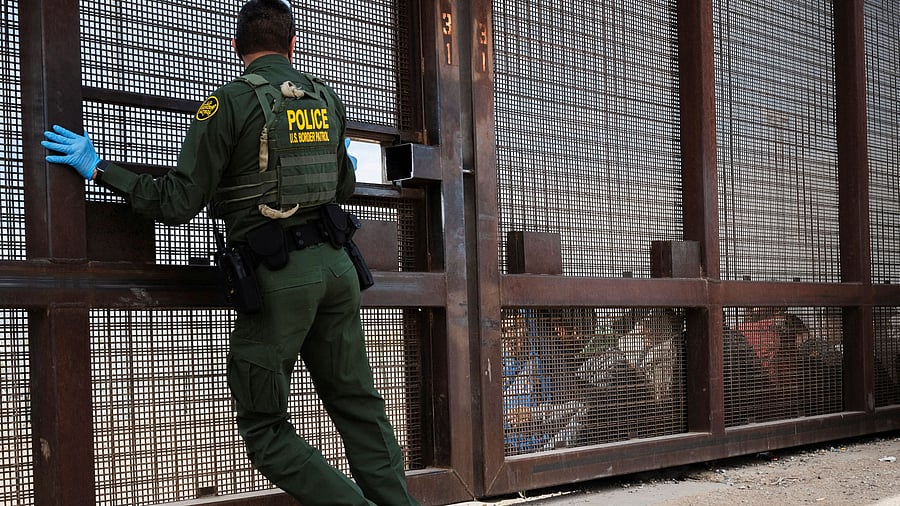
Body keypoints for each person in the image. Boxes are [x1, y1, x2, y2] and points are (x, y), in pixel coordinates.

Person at [40, 1, 417, 504]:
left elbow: (177, 201)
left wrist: (101, 168)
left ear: (238, 48)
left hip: (281, 276)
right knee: (357, 406)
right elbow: (344, 185)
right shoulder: (325, 98)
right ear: (291, 44)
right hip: (338, 267)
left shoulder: (229, 104)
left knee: (265, 429)